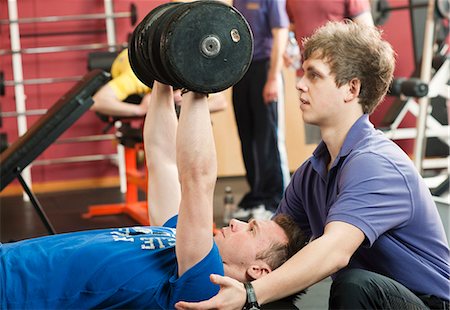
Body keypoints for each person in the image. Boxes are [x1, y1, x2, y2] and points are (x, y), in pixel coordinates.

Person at [175, 21, 450, 310]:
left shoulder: (376, 164)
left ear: (351, 89)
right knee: (267, 286)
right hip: (376, 295)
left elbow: (334, 252)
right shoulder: (311, 172)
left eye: (314, 75)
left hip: (426, 303)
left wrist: (250, 294)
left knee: (353, 285)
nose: (299, 83)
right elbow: (276, 249)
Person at [0, 81, 306, 309]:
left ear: (257, 270)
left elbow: (197, 180)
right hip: (8, 260)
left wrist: (198, 86)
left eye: (251, 230)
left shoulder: (205, 284)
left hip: (12, 291)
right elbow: (163, 161)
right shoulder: (180, 242)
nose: (238, 223)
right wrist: (162, 77)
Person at [231, 0, 291, 221]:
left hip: (265, 68)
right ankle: (256, 195)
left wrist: (273, 78)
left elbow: (281, 32)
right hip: (242, 70)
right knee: (247, 137)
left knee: (268, 137)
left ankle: (275, 199)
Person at [284, 0, 374, 145]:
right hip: (307, 73)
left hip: (337, 78)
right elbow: (292, 26)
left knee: (346, 141)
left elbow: (369, 36)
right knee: (320, 145)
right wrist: (288, 45)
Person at [91, 48, 228, 118]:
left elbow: (221, 102)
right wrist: (139, 110)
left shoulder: (190, 69)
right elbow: (98, 101)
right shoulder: (137, 78)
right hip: (128, 61)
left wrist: (188, 101)